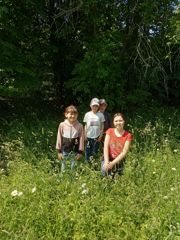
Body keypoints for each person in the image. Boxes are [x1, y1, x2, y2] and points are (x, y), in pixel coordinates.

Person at [102, 113, 133, 178]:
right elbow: (105, 147)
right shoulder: (109, 131)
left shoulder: (128, 135)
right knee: (104, 171)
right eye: (116, 121)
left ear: (124, 121)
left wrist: (113, 163)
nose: (118, 123)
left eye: (120, 120)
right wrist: (107, 161)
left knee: (117, 178)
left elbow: (124, 152)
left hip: (119, 160)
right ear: (113, 122)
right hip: (108, 158)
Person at [56, 105, 84, 172]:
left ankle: (72, 179)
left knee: (73, 167)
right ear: (66, 114)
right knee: (64, 166)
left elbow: (82, 139)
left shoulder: (80, 126)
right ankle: (63, 178)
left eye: (75, 114)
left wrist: (80, 152)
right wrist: (59, 151)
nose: (73, 116)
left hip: (75, 151)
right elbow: (59, 137)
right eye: (71, 114)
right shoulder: (62, 125)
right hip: (64, 150)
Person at [83, 98, 105, 162]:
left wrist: (101, 135)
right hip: (89, 136)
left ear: (98, 106)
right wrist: (85, 135)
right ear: (90, 105)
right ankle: (87, 163)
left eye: (96, 106)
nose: (95, 107)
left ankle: (94, 164)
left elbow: (102, 125)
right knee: (87, 151)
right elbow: (86, 125)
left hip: (97, 136)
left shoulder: (100, 115)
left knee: (95, 151)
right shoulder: (87, 114)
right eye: (93, 105)